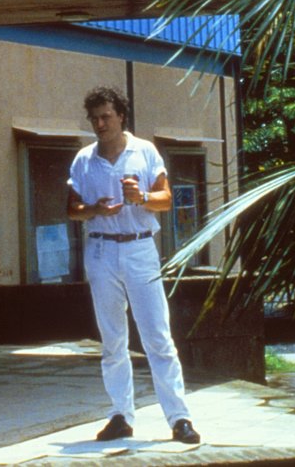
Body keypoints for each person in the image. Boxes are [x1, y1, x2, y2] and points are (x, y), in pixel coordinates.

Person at [67, 86, 200, 444]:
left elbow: (166, 200)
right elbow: (72, 208)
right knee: (112, 339)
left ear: (121, 116)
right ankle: (120, 416)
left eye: (106, 117)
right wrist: (94, 209)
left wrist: (141, 197)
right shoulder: (84, 159)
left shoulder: (145, 151)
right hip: (101, 250)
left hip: (140, 248)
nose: (100, 124)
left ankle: (179, 418)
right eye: (94, 118)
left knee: (157, 335)